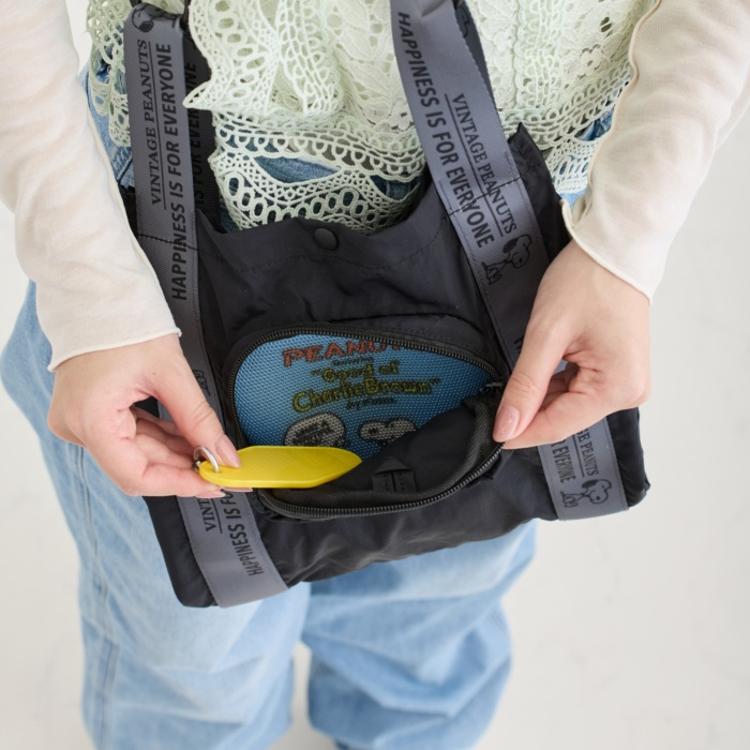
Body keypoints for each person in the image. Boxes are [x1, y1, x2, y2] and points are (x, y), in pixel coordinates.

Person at [0, 1, 748, 748]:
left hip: (521, 209)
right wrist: (89, 289)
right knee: (193, 656)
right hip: (157, 225)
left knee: (432, 605)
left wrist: (623, 245)